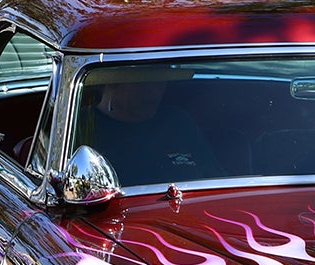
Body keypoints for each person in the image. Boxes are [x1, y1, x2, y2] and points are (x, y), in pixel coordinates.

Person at [76, 73, 219, 185]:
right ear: (113, 83)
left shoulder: (177, 122)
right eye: (143, 83)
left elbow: (214, 179)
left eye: (160, 83)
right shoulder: (79, 126)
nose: (154, 92)